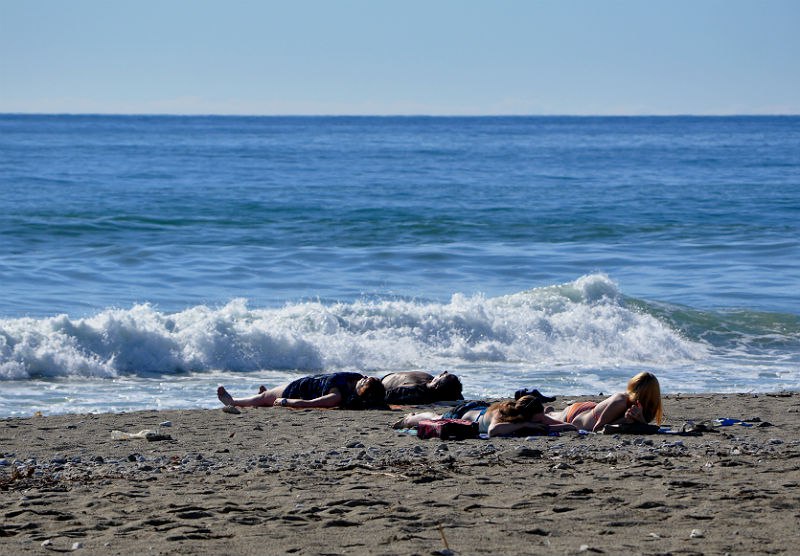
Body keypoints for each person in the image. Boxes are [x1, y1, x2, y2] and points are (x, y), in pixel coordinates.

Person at [392, 395, 576, 438]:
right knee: (434, 418)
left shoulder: (527, 417)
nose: (540, 420)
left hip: (479, 408)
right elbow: (493, 431)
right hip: (462, 413)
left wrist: (568, 426)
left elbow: (546, 424)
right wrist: (532, 427)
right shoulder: (502, 414)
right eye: (537, 418)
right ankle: (408, 418)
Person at [546, 372, 663, 432]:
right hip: (577, 415)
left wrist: (640, 420)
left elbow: (642, 426)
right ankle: (550, 412)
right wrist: (624, 420)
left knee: (554, 415)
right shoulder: (621, 400)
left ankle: (551, 412)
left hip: (592, 410)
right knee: (549, 418)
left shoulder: (647, 409)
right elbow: (597, 429)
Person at [216, 372, 386, 410]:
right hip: (303, 383)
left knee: (264, 397)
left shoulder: (336, 396)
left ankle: (233, 402)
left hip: (295, 392)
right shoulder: (353, 379)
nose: (363, 377)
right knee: (265, 396)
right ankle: (264, 398)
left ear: (361, 390)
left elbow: (308, 404)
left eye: (365, 381)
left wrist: (285, 402)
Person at [381, 370, 464, 404]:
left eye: (443, 375)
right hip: (391, 377)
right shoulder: (450, 392)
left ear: (436, 385)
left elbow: (383, 396)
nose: (444, 371)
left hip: (384, 381)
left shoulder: (412, 391)